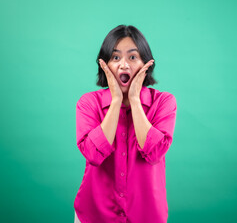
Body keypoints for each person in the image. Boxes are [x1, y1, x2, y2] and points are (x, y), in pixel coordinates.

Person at [73, 25, 177, 223]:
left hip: (147, 216)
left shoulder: (164, 102)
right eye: (115, 57)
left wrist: (135, 100)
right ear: (105, 64)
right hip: (93, 215)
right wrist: (116, 101)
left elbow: (154, 152)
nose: (124, 65)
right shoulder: (88, 103)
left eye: (132, 57)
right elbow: (93, 155)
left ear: (146, 64)